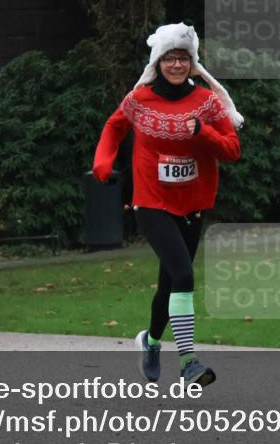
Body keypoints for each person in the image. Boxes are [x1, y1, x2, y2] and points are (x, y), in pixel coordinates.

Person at [93, 23, 243, 386]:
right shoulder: (140, 99)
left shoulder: (206, 102)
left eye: (183, 58)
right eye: (169, 58)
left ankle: (152, 341)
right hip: (151, 201)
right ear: (157, 61)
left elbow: (233, 149)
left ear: (191, 63)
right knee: (184, 276)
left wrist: (202, 132)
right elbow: (114, 127)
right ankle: (189, 361)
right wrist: (103, 159)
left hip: (193, 203)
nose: (176, 65)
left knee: (169, 282)